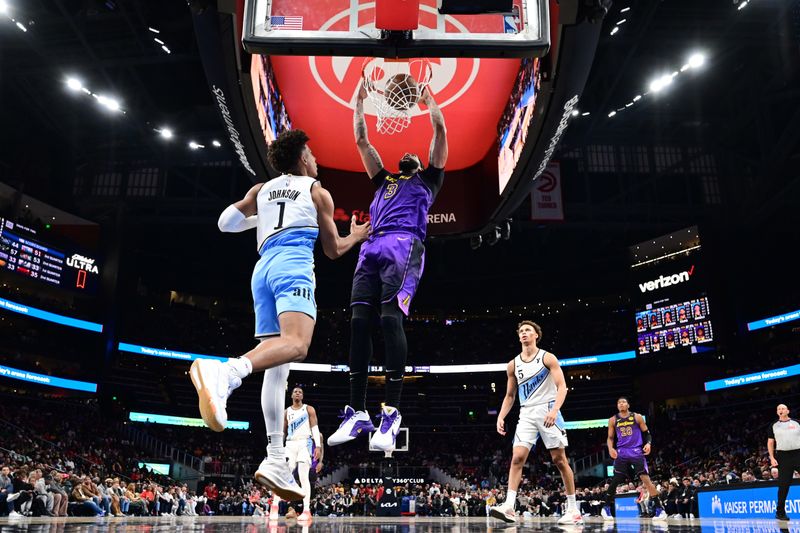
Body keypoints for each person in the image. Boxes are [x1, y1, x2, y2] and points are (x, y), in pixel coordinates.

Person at [189, 129, 370, 499]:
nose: (316, 159)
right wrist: (358, 236)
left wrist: (263, 218)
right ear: (303, 157)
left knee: (278, 366)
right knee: (298, 345)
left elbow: (225, 223)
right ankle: (227, 371)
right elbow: (334, 249)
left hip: (262, 270)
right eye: (313, 154)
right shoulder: (317, 191)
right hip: (293, 266)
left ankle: (274, 457)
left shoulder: (261, 190)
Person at [328, 82, 448, 452]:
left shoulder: (429, 179)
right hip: (372, 245)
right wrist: (359, 104)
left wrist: (430, 102)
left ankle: (392, 413)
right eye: (407, 153)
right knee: (359, 323)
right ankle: (358, 411)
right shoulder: (384, 180)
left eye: (416, 153)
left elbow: (440, 131)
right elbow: (363, 143)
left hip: (404, 244)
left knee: (389, 320)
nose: (410, 153)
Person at [489, 321, 583, 525]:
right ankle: (509, 507)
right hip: (527, 413)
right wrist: (501, 416)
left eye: (528, 330)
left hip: (548, 408)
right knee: (517, 458)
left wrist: (555, 410)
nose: (524, 333)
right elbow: (510, 395)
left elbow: (562, 387)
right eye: (521, 331)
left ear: (536, 335)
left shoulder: (547, 357)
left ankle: (573, 509)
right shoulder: (513, 364)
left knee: (560, 460)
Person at [601, 397, 667, 522]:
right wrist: (610, 448)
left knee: (646, 480)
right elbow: (610, 438)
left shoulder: (637, 417)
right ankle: (606, 508)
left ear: (628, 405)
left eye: (623, 402)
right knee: (616, 479)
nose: (621, 404)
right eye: (619, 402)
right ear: (617, 406)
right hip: (622, 452)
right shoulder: (613, 420)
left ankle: (659, 509)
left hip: (636, 451)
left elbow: (647, 433)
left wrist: (648, 444)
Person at [270, 386, 322, 522]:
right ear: (292, 396)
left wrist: (318, 446)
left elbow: (315, 428)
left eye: (300, 392)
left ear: (302, 396)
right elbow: (282, 431)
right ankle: (274, 506)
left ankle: (306, 510)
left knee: (304, 476)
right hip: (290, 443)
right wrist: (277, 447)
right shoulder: (286, 411)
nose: (298, 393)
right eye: (295, 392)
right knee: (284, 473)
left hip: (305, 442)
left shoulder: (309, 409)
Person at [768, 403, 800, 521]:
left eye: (783, 408)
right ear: (777, 412)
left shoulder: (797, 423)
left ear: (788, 411)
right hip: (783, 456)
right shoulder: (773, 425)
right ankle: (780, 512)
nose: (781, 410)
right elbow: (770, 442)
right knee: (783, 485)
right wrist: (772, 457)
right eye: (778, 409)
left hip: (798, 453)